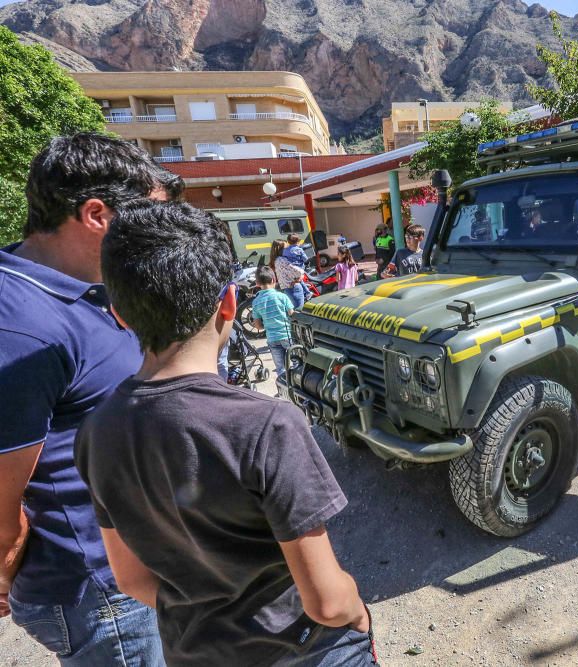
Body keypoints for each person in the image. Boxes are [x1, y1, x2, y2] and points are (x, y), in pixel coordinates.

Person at [76, 199, 375, 666]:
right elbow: (327, 603)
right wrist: (357, 610)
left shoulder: (95, 431)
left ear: (119, 313)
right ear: (229, 303)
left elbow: (131, 579)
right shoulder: (268, 425)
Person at [0, 133, 180, 664]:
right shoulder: (21, 325)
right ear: (97, 214)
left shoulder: (78, 287)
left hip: (127, 570)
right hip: (98, 591)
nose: (157, 237)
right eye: (147, 219)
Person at [252, 266, 295, 381]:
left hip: (272, 339)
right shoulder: (282, 297)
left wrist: (265, 326)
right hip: (287, 336)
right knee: (296, 363)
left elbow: (257, 326)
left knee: (280, 368)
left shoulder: (256, 302)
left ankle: (284, 387)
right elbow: (292, 314)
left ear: (257, 283)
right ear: (273, 280)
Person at [271, 238, 306, 309]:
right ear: (280, 249)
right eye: (286, 247)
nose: (287, 250)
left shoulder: (276, 260)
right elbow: (299, 272)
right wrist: (301, 275)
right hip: (293, 288)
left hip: (287, 288)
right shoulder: (282, 260)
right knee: (298, 310)